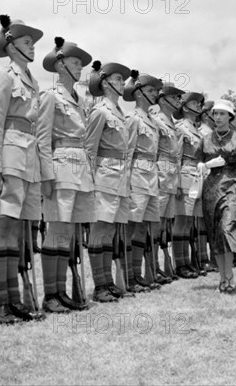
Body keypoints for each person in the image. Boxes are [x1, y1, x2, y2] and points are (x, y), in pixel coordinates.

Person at [0, 15, 48, 324]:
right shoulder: (4, 77)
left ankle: (14, 300)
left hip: (28, 160)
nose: (32, 47)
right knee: (4, 227)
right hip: (9, 156)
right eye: (25, 42)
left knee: (21, 232)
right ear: (10, 46)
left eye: (33, 43)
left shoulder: (32, 82)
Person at [38, 37, 96, 311]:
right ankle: (52, 295)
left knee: (70, 231)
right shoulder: (51, 96)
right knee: (57, 229)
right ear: (60, 65)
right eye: (75, 63)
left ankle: (63, 293)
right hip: (60, 165)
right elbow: (42, 138)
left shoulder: (81, 100)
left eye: (81, 64)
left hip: (80, 168)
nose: (80, 68)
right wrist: (46, 175)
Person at [85, 61, 141, 298]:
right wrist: (89, 183)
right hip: (104, 176)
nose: (122, 83)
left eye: (122, 79)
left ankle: (109, 282)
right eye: (118, 79)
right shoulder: (100, 111)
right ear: (106, 83)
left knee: (111, 229)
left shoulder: (120, 113)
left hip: (120, 177)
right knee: (100, 229)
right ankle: (100, 285)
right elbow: (89, 149)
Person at [197, 99, 236, 293]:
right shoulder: (204, 139)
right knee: (215, 233)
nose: (218, 117)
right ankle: (222, 277)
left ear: (230, 116)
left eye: (222, 113)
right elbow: (197, 163)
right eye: (215, 113)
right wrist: (204, 165)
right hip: (211, 189)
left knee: (228, 228)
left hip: (232, 186)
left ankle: (229, 274)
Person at [123, 72, 164, 291]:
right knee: (132, 225)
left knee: (143, 227)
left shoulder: (152, 121)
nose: (155, 95)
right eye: (150, 91)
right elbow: (127, 152)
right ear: (138, 93)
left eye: (156, 91)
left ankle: (137, 274)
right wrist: (126, 180)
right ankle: (128, 276)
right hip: (137, 174)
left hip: (151, 176)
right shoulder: (133, 119)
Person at [151, 82, 185, 283]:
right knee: (155, 224)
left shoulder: (171, 123)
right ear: (163, 99)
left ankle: (161, 265)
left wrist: (178, 182)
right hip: (160, 175)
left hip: (171, 177)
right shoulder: (156, 121)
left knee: (165, 224)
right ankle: (152, 265)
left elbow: (177, 156)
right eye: (174, 97)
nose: (178, 101)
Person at [173, 91, 205, 279]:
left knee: (189, 221)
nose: (199, 106)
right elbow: (177, 155)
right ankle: (180, 263)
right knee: (182, 220)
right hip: (185, 173)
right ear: (185, 107)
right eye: (195, 103)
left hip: (197, 175)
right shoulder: (181, 128)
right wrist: (176, 182)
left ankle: (188, 261)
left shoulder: (197, 130)